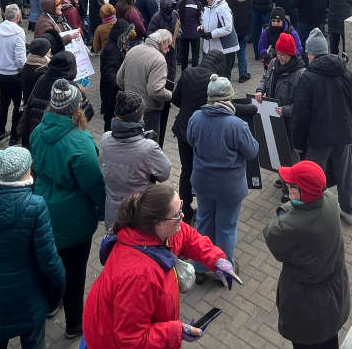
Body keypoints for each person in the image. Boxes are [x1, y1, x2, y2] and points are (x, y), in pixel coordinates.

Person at [82, 184, 237, 349]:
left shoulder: (158, 231)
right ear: (157, 222)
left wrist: (216, 259)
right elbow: (131, 340)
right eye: (176, 214)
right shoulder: (139, 276)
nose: (183, 216)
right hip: (108, 340)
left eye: (181, 207)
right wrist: (175, 332)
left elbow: (188, 237)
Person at [0, 146, 65, 349]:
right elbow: (49, 260)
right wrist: (57, 291)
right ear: (25, 171)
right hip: (30, 298)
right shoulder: (36, 206)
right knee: (34, 342)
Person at [29, 79, 106, 340]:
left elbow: (36, 168)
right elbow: (94, 184)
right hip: (74, 221)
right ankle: (74, 324)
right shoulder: (80, 142)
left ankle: (52, 304)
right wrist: (102, 210)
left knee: (50, 263)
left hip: (42, 211)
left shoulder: (37, 132)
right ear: (76, 108)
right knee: (75, 273)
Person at [263, 161, 351, 349]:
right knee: (329, 341)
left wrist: (287, 212)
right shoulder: (329, 199)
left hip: (307, 305)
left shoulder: (290, 226)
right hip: (333, 296)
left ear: (303, 193)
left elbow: (270, 232)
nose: (287, 188)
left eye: (291, 186)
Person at [186, 75, 259, 269]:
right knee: (226, 228)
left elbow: (191, 140)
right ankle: (224, 270)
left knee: (203, 222)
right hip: (229, 187)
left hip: (203, 182)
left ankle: (200, 267)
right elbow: (252, 152)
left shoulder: (196, 117)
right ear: (229, 98)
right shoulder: (237, 125)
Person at [291, 31, 352, 226]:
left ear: (311, 53)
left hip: (318, 138)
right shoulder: (345, 71)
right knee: (345, 174)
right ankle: (348, 210)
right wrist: (349, 125)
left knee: (313, 177)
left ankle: (316, 214)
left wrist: (298, 143)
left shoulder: (308, 77)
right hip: (343, 133)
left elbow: (301, 115)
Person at [101, 91, 172, 229]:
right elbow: (165, 173)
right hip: (137, 216)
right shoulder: (148, 148)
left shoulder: (106, 138)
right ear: (140, 116)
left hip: (112, 215)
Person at [172, 51, 227, 224]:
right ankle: (204, 214)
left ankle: (185, 212)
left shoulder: (187, 72)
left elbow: (175, 99)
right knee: (205, 173)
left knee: (186, 171)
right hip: (204, 135)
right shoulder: (215, 82)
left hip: (183, 131)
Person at [115, 29, 174, 144]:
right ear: (163, 42)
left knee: (131, 143)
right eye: (169, 45)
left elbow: (119, 79)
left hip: (129, 107)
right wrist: (171, 95)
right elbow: (155, 91)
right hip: (149, 111)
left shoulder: (133, 50)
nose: (168, 49)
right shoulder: (159, 59)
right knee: (148, 146)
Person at [0, 3, 28, 144]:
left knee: (4, 102)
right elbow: (20, 60)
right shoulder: (19, 33)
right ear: (17, 16)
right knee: (18, 104)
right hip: (14, 75)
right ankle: (14, 136)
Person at [255, 32, 306, 125]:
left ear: (291, 54)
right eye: (278, 53)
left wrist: (286, 110)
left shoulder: (301, 74)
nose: (280, 57)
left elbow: (303, 103)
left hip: (289, 121)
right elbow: (265, 79)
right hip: (273, 114)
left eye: (284, 55)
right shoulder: (273, 63)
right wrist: (260, 90)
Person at [199, 0, 240, 77]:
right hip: (210, 47)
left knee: (223, 76)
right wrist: (202, 28)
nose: (205, 1)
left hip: (225, 49)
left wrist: (211, 34)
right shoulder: (208, 7)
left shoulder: (223, 8)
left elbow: (228, 28)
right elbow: (207, 22)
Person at [177, 0, 203, 70]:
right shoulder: (197, 3)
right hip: (195, 32)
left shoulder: (180, 3)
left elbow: (177, 18)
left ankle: (184, 72)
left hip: (183, 33)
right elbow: (201, 17)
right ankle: (194, 71)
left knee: (184, 54)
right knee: (195, 54)